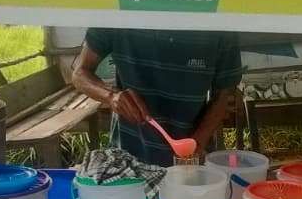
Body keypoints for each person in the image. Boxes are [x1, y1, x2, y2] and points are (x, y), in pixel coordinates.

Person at [71, 28, 242, 166]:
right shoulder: (120, 9)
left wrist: (197, 143)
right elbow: (80, 73)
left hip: (192, 158)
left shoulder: (217, 20)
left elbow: (224, 94)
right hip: (128, 158)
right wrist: (112, 96)